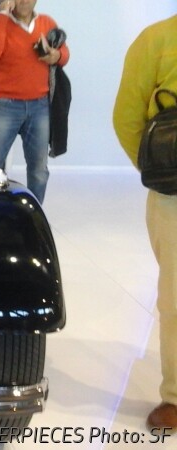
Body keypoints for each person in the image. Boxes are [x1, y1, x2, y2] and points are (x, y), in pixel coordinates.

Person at [113, 13, 177, 431]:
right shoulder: (155, 40)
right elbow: (127, 117)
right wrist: (160, 168)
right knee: (176, 296)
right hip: (175, 195)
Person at [0, 0, 69, 204]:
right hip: (5, 106)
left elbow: (65, 54)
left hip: (39, 106)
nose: (24, 1)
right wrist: (3, 15)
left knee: (39, 171)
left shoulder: (46, 23)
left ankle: (34, 214)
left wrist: (57, 56)